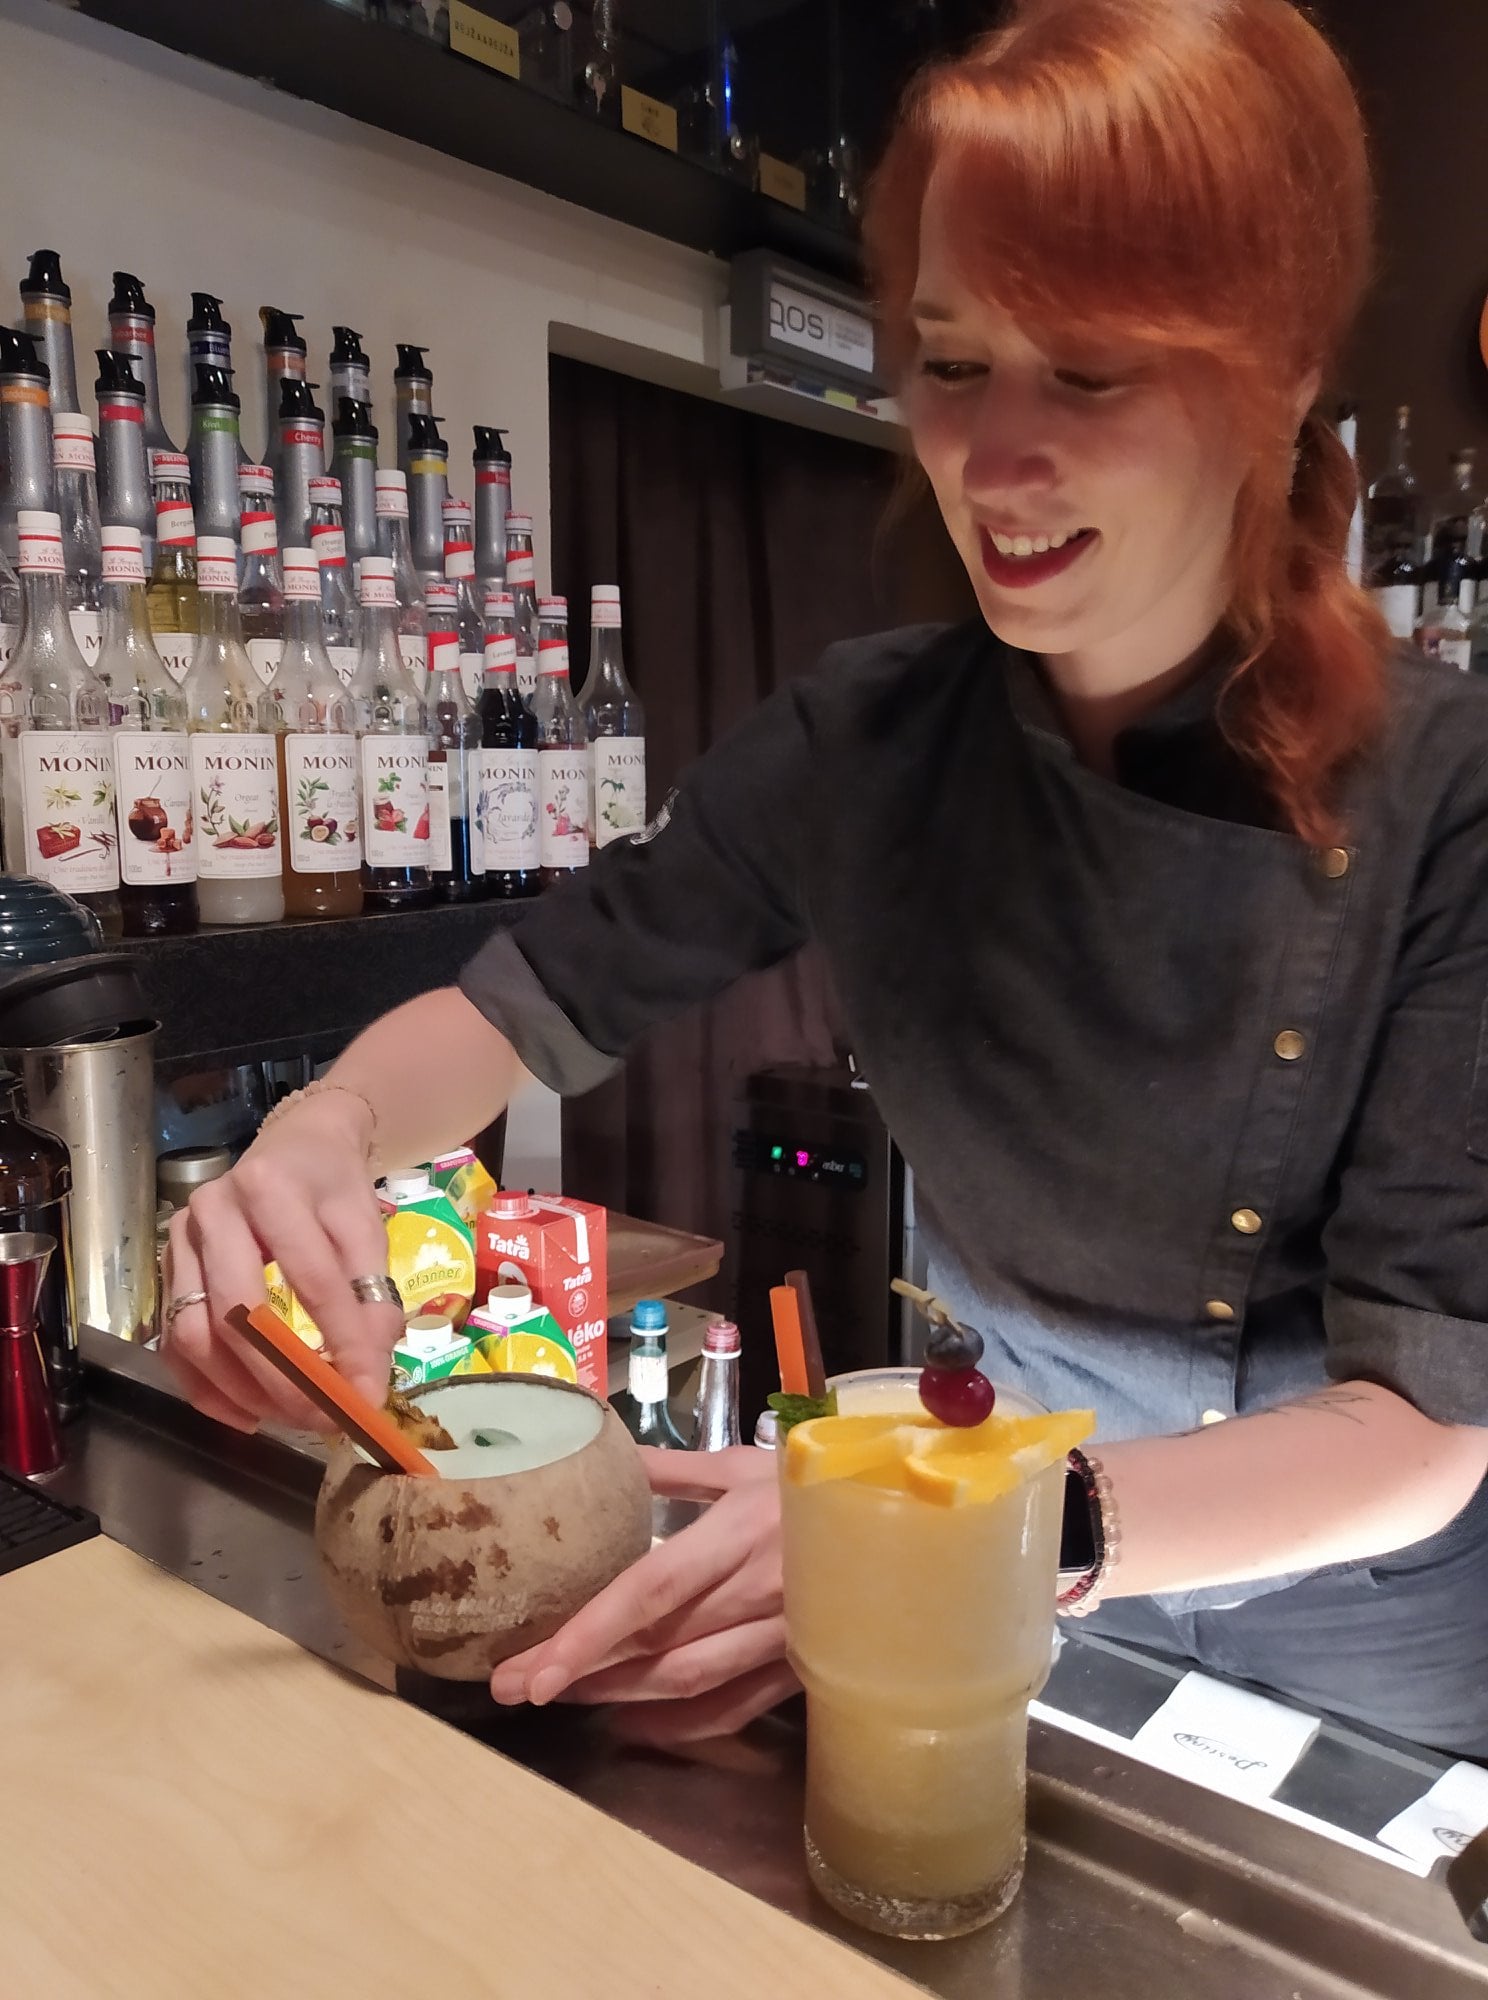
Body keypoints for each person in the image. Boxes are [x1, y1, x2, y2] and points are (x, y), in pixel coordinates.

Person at [165, 0, 1488, 1755]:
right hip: (987, 1558)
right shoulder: (865, 741)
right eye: (952, 364)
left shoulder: (1450, 796)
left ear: (1285, 374)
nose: (990, 462)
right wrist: (318, 1135)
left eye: (1089, 373)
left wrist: (973, 1520)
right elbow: (524, 1009)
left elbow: (1425, 1421)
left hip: (1356, 1645)